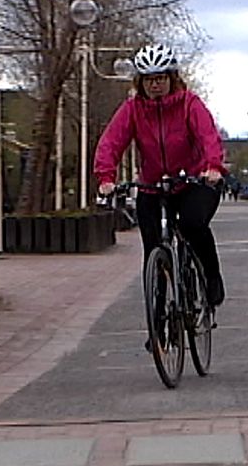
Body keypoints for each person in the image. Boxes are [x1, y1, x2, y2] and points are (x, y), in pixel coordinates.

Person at [93, 43, 226, 311]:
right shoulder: (133, 109)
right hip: (153, 186)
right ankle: (158, 321)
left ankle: (212, 277)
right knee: (153, 247)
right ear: (140, 82)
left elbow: (208, 135)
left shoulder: (190, 104)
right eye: (149, 80)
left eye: (161, 78)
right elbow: (111, 142)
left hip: (193, 181)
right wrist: (106, 178)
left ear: (172, 78)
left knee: (192, 224)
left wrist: (213, 167)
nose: (156, 85)